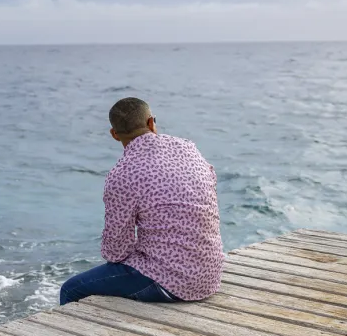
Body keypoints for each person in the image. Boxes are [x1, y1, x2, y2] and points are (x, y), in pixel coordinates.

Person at [60, 97, 224, 305]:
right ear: (150, 123)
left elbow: (115, 251)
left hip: (170, 284)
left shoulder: (122, 174)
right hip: (209, 275)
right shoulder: (189, 148)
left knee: (71, 289)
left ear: (114, 134)